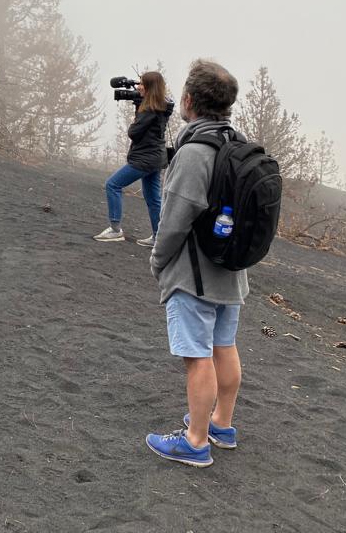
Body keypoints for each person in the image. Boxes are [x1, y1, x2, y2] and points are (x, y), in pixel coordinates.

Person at [145, 59, 244, 468]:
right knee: (224, 347)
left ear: (188, 100)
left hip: (195, 275)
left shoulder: (194, 152)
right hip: (232, 273)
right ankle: (222, 423)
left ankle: (196, 441)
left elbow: (175, 219)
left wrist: (157, 261)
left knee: (197, 357)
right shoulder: (238, 144)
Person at [93, 71, 174, 247]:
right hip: (156, 158)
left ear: (150, 88)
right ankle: (158, 237)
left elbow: (133, 133)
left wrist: (139, 110)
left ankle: (115, 230)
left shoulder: (149, 109)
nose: (138, 87)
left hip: (144, 159)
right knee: (153, 198)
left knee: (113, 184)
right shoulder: (163, 105)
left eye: (142, 84)